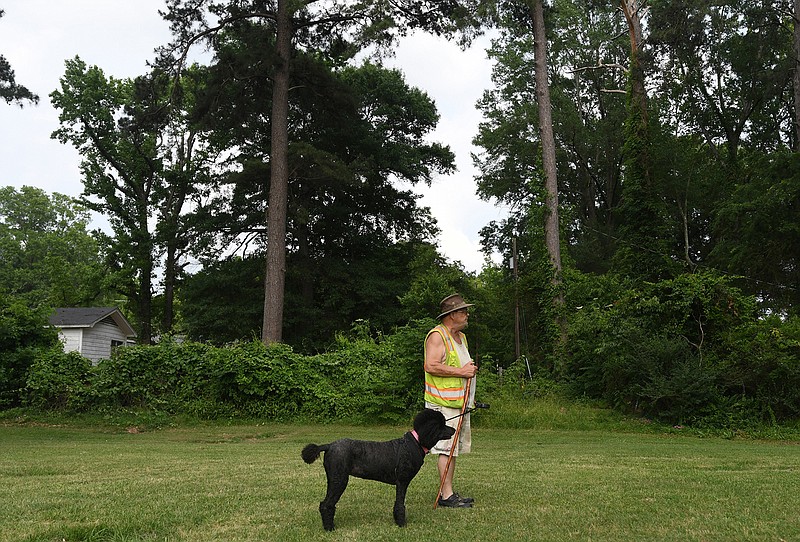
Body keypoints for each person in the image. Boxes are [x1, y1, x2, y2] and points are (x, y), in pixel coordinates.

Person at [424, 293, 478, 508]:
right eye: (463, 311)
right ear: (452, 314)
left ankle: (449, 492)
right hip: (443, 404)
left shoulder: (461, 337)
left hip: (459, 404)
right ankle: (446, 496)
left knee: (453, 449)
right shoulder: (438, 336)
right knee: (446, 448)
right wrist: (462, 372)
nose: (467, 315)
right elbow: (431, 365)